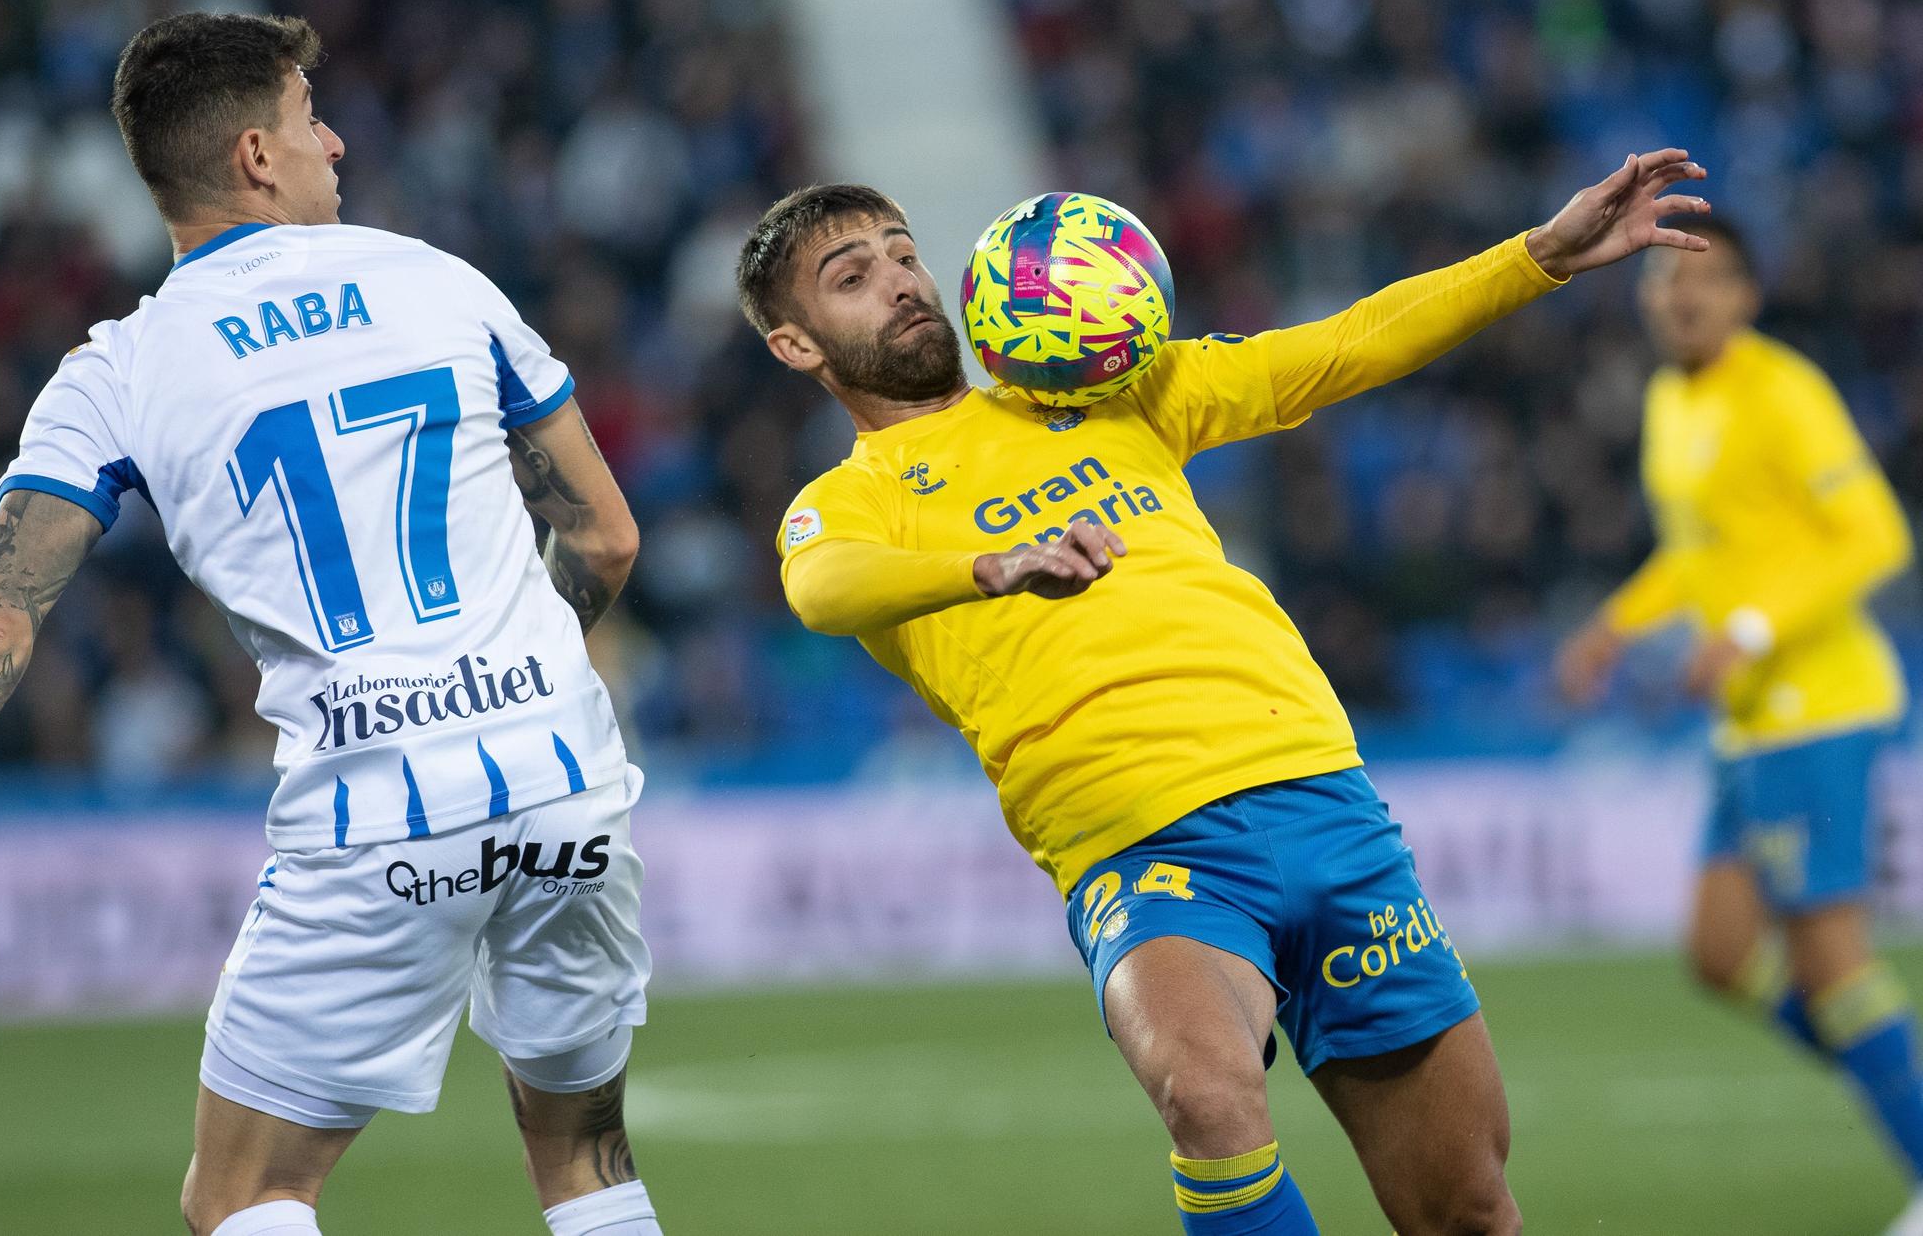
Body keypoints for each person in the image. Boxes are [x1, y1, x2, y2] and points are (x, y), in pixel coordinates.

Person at [738, 150, 1710, 1235]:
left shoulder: (1107, 392)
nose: (903, 282)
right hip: (1139, 843)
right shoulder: (846, 502)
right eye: (852, 276)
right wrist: (993, 565)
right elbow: (823, 588)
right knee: (1205, 1097)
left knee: (1466, 1209)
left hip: (1320, 797)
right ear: (794, 343)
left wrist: (1537, 258)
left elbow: (1337, 348)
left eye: (906, 255)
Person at [0, 12, 659, 1236]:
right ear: (259, 154)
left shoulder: (116, 371)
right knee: (585, 1159)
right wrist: (509, 673)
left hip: (376, 809)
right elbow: (607, 537)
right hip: (564, 769)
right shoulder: (440, 280)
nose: (336, 142)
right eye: (312, 114)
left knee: (246, 1192)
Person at [1556, 216, 1923, 1234]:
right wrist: (1611, 626)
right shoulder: (1670, 399)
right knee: (1718, 952)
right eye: (1663, 278)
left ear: (1746, 297)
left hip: (1816, 704)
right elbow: (1698, 552)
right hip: (1745, 717)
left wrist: (1754, 630)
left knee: (1830, 959)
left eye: (1704, 281)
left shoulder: (1780, 390)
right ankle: (1887, 1075)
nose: (1680, 295)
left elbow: (1874, 533)